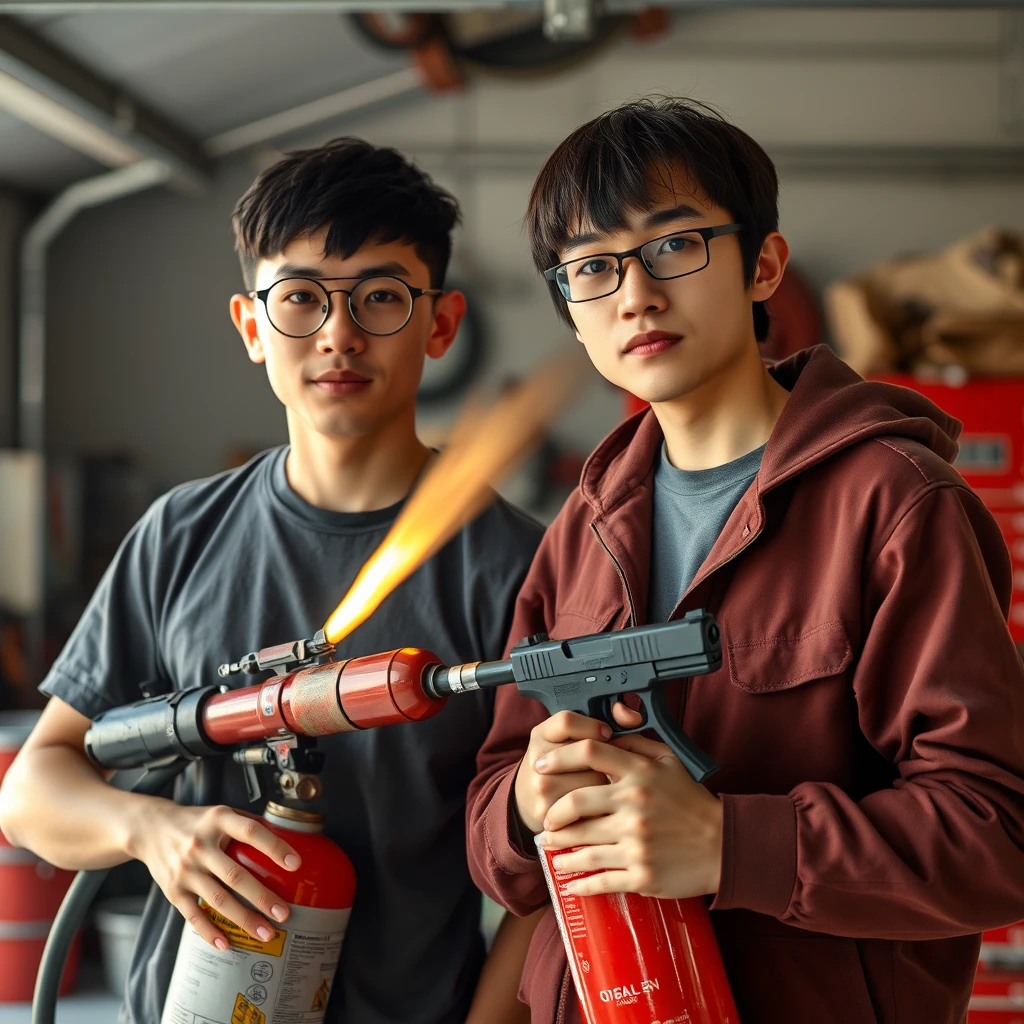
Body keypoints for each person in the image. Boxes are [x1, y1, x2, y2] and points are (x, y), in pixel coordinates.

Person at [466, 98, 1024, 1024]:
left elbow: (994, 836)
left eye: (674, 246)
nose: (636, 294)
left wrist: (732, 844)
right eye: (593, 269)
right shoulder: (581, 530)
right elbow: (494, 838)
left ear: (763, 265)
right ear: (571, 312)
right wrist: (524, 799)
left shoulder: (890, 503)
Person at [0, 137, 543, 1024]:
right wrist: (154, 833)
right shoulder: (180, 534)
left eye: (380, 295)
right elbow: (30, 794)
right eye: (299, 298)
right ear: (253, 327)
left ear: (440, 323)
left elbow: (552, 873)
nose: (339, 333)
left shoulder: (518, 568)